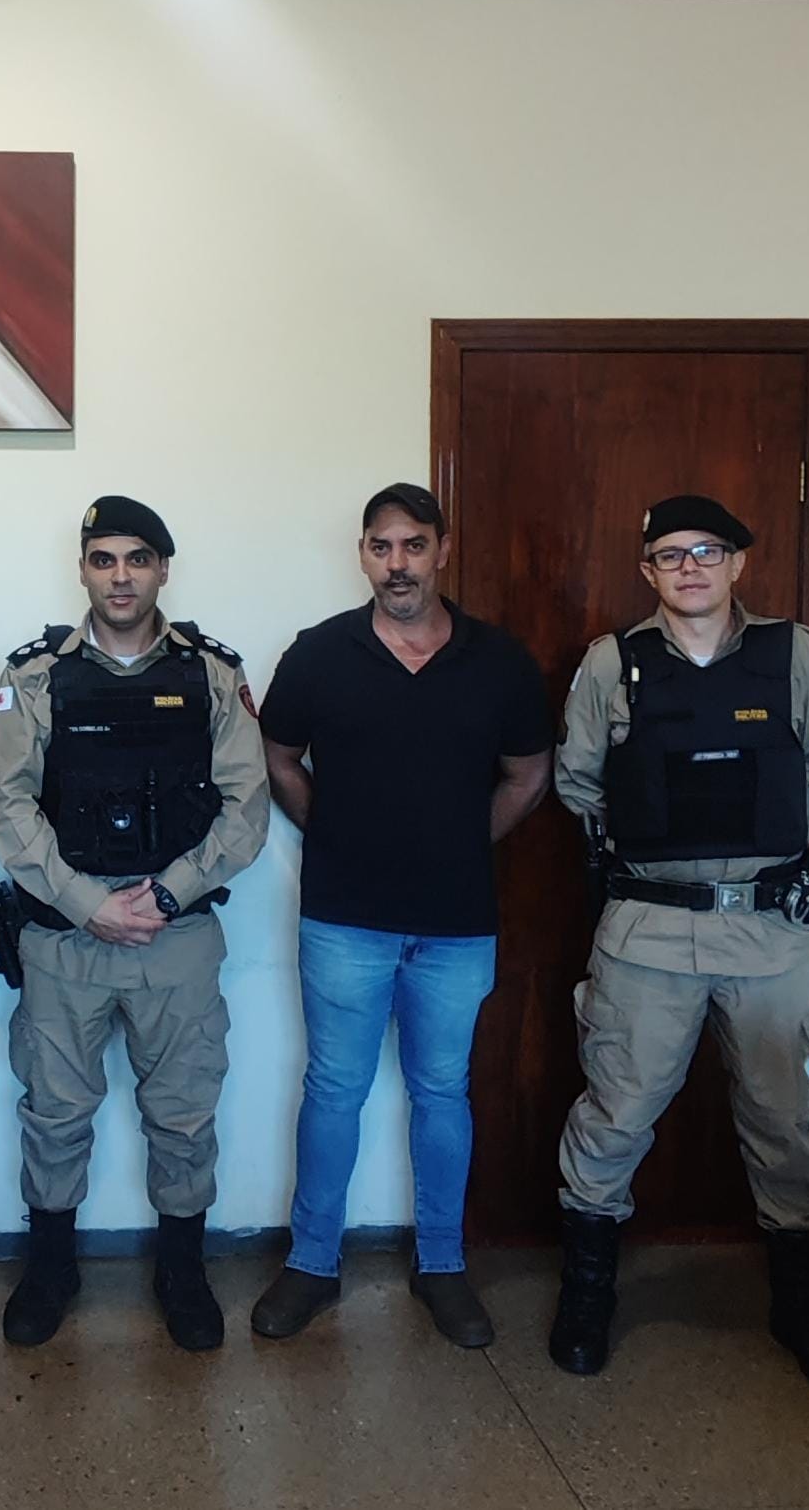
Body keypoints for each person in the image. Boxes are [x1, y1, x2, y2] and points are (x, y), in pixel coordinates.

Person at [550, 494, 809, 1396]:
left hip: (768, 929)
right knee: (617, 1111)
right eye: (671, 555)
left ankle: (802, 1304)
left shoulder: (794, 655)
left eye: (707, 551)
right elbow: (578, 780)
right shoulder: (614, 663)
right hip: (649, 928)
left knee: (789, 1119)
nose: (690, 568)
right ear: (648, 571)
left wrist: (773, 842)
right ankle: (587, 1290)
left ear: (737, 564)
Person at [250, 482, 551, 1349]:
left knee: (442, 1092)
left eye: (414, 545)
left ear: (442, 551)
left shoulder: (498, 660)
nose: (397, 564)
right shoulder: (319, 653)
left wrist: (459, 843)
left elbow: (529, 773)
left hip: (457, 924)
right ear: (363, 555)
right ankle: (312, 1262)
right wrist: (333, 830)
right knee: (333, 1091)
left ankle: (443, 1264)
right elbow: (278, 754)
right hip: (344, 919)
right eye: (381, 547)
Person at [0, 496, 269, 1352]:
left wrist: (168, 895)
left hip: (174, 937)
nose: (120, 576)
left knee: (184, 1113)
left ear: (162, 569)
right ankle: (51, 1268)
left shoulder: (212, 674)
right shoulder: (34, 675)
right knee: (54, 1110)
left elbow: (247, 809)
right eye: (104, 559)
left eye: (137, 559)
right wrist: (89, 904)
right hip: (65, 938)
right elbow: (7, 804)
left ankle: (182, 1271)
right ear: (82, 568)